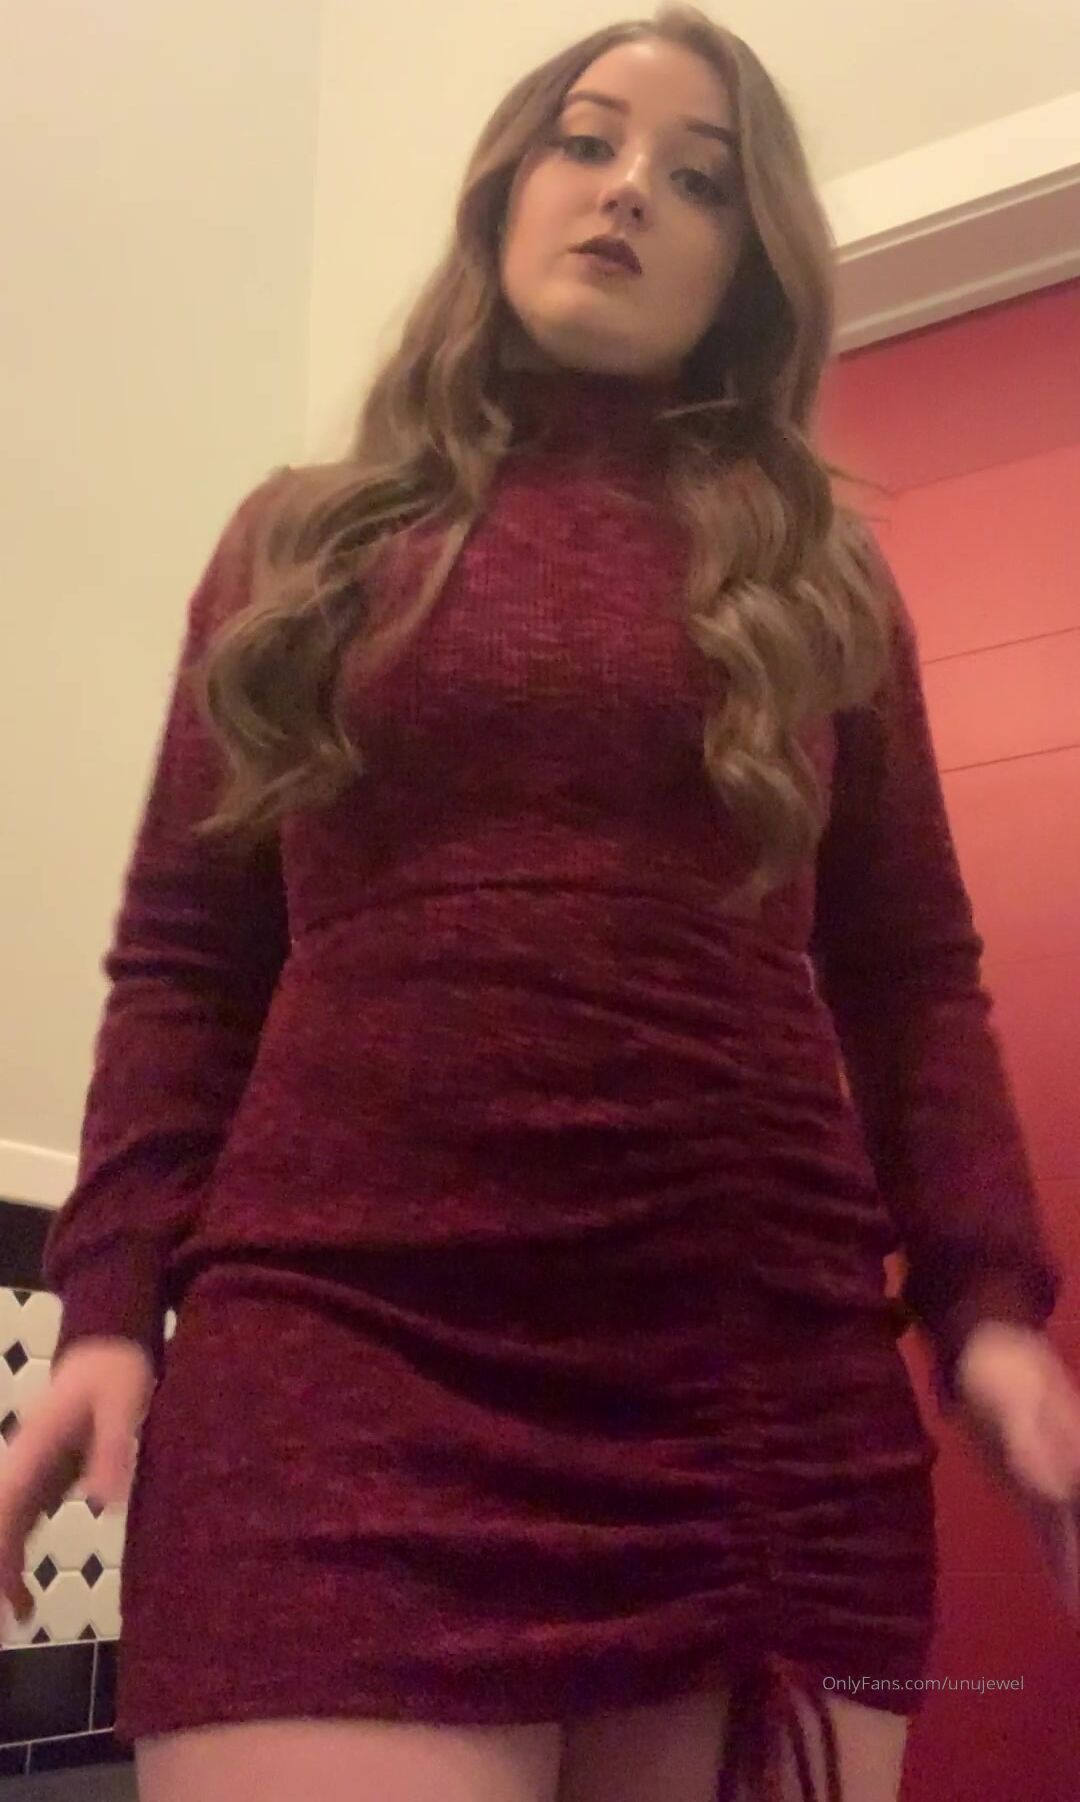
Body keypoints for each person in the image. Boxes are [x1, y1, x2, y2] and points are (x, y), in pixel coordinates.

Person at [3, 8, 1079, 1801]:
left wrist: (990, 1311)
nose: (629, 189)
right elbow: (187, 962)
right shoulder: (303, 546)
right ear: (506, 186)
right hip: (341, 1382)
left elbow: (911, 976)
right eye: (588, 141)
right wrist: (107, 1302)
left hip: (754, 1394)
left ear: (748, 265)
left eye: (700, 179)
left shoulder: (823, 579)